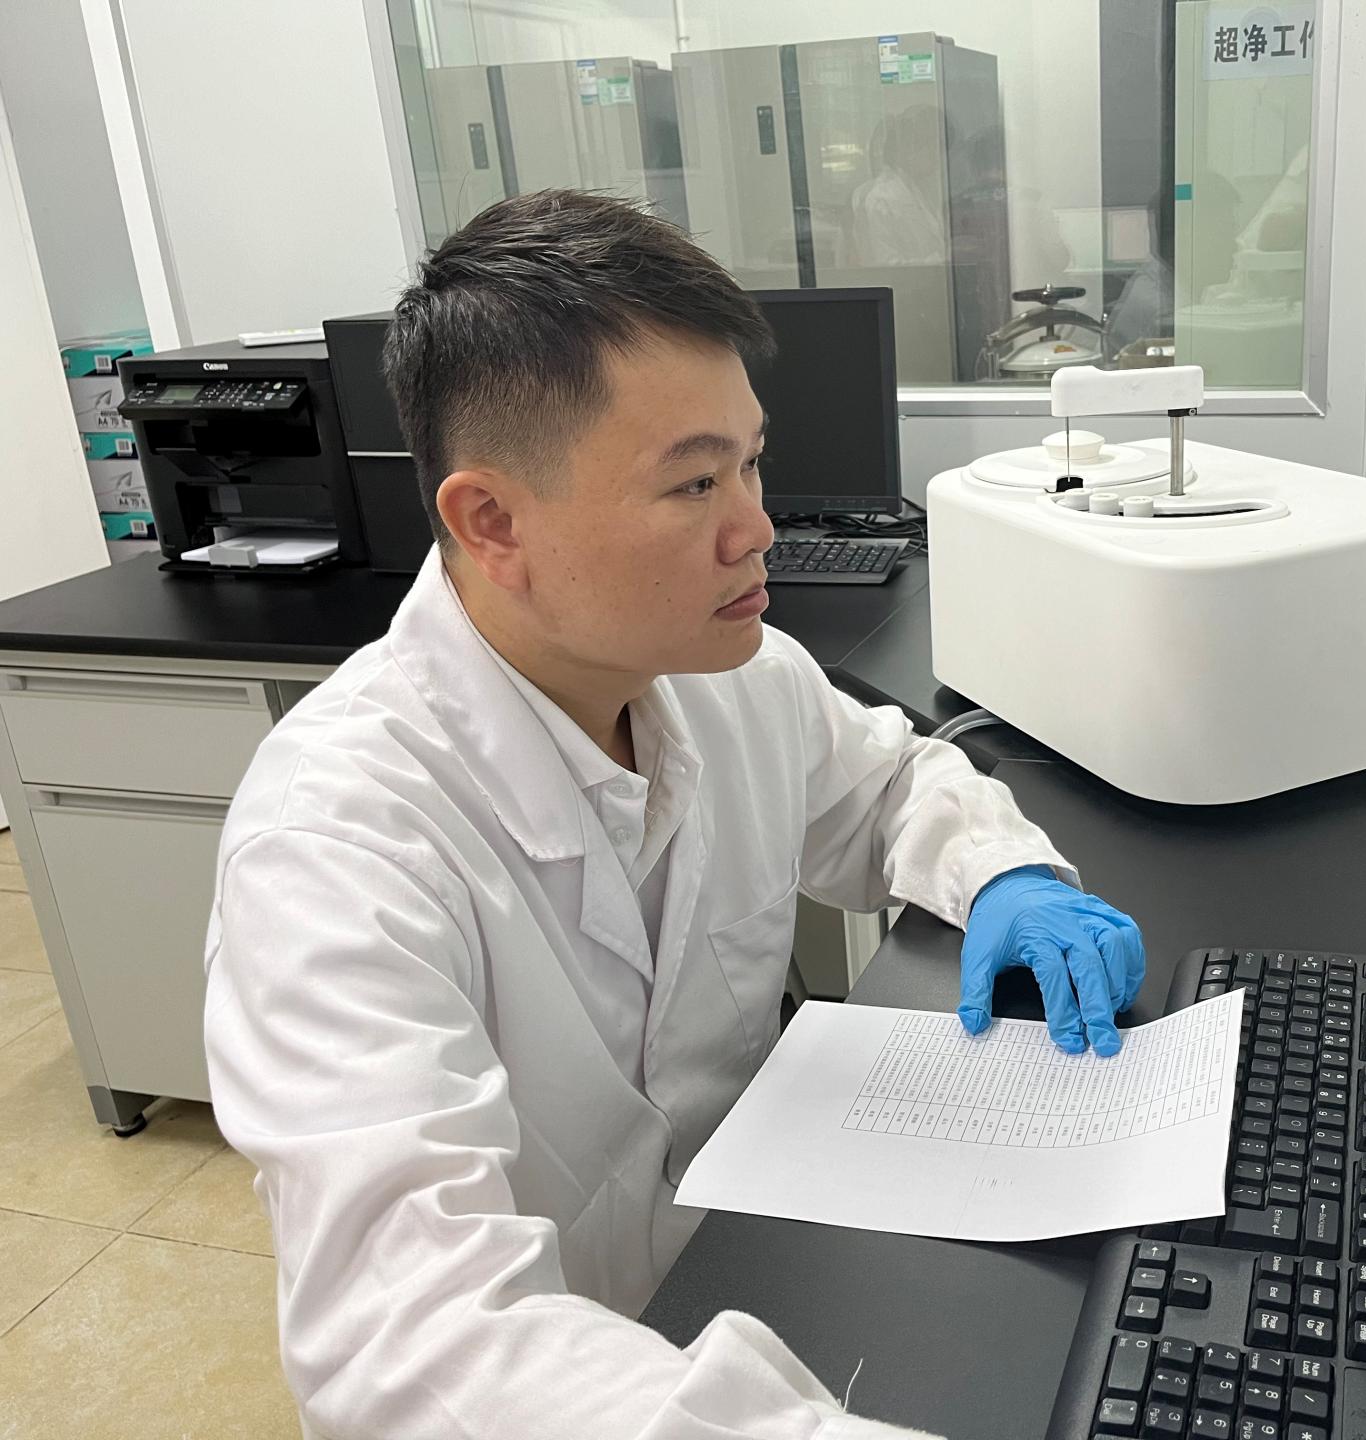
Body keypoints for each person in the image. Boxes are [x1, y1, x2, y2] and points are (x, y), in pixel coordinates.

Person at [201, 189, 1146, 1439]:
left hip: (753, 1273)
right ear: (493, 522)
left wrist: (1003, 873)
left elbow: (888, 785)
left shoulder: (728, 680)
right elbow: (414, 1342)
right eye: (695, 482)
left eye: (750, 462)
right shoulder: (337, 845)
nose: (758, 528)